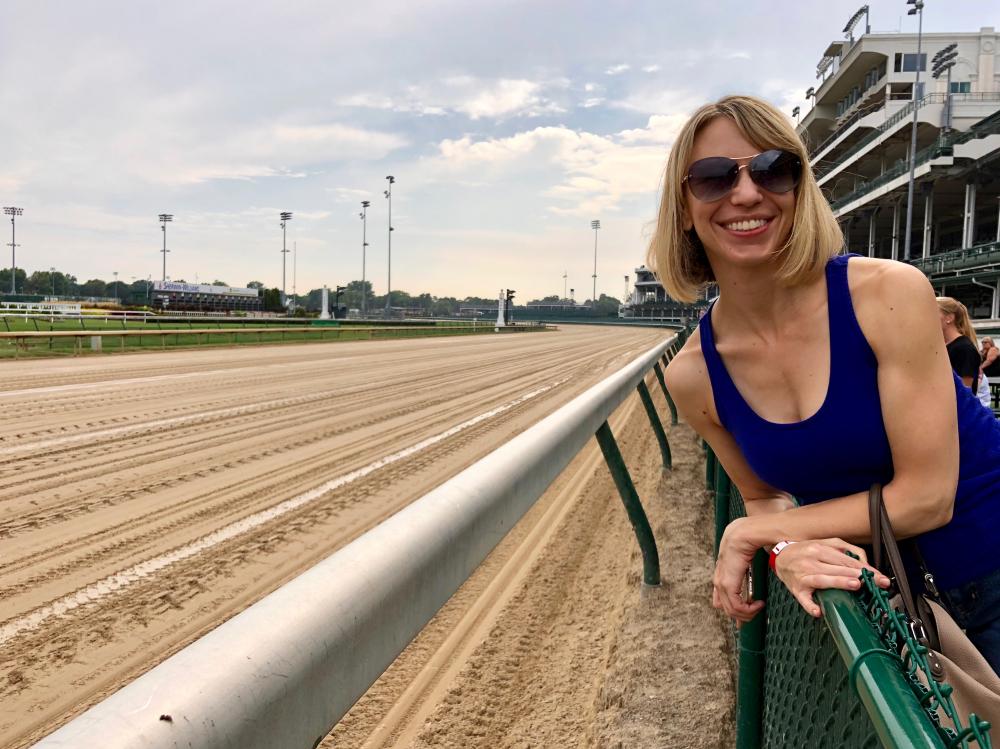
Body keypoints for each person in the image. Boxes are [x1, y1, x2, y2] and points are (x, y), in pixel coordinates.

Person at [650, 94, 1000, 674]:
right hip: (888, 607)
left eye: (772, 169)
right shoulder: (692, 376)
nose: (746, 193)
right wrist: (783, 548)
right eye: (712, 179)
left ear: (798, 188)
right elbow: (765, 497)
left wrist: (753, 533)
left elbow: (927, 498)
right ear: (683, 208)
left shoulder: (888, 293)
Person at [937, 297, 990, 408]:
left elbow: (964, 392)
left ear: (949, 318)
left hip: (957, 416)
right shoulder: (943, 346)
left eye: (933, 312)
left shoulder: (964, 348)